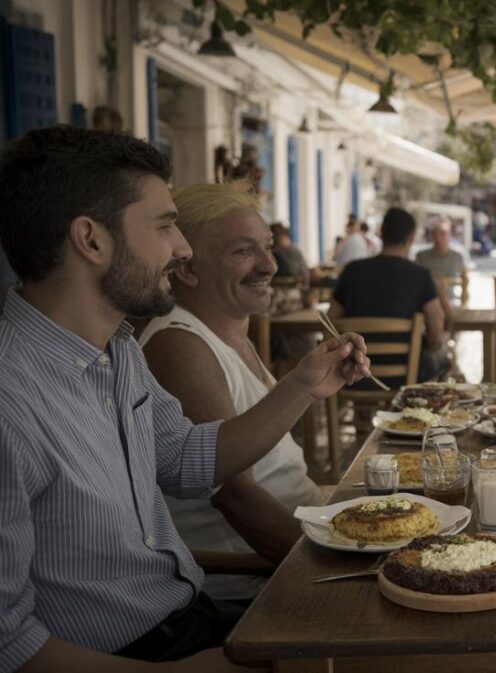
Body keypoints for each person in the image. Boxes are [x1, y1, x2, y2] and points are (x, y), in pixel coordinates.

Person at [0, 125, 370, 671]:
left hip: (190, 615)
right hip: (134, 654)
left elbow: (187, 462)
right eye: (165, 226)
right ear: (92, 239)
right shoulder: (12, 398)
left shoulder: (117, 351)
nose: (182, 248)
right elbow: (11, 643)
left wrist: (300, 388)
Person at [139, 183, 325, 601]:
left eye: (267, 247)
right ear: (187, 268)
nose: (269, 266)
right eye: (243, 252)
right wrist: (334, 563)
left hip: (302, 537)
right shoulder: (179, 346)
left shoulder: (230, 331)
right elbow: (236, 500)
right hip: (249, 583)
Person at [330, 207, 448, 384]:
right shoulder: (420, 275)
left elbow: (332, 323)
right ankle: (419, 409)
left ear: (381, 233)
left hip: (356, 375)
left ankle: (362, 412)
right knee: (444, 360)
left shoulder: (351, 271)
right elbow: (436, 333)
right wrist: (431, 347)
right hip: (408, 377)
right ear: (411, 238)